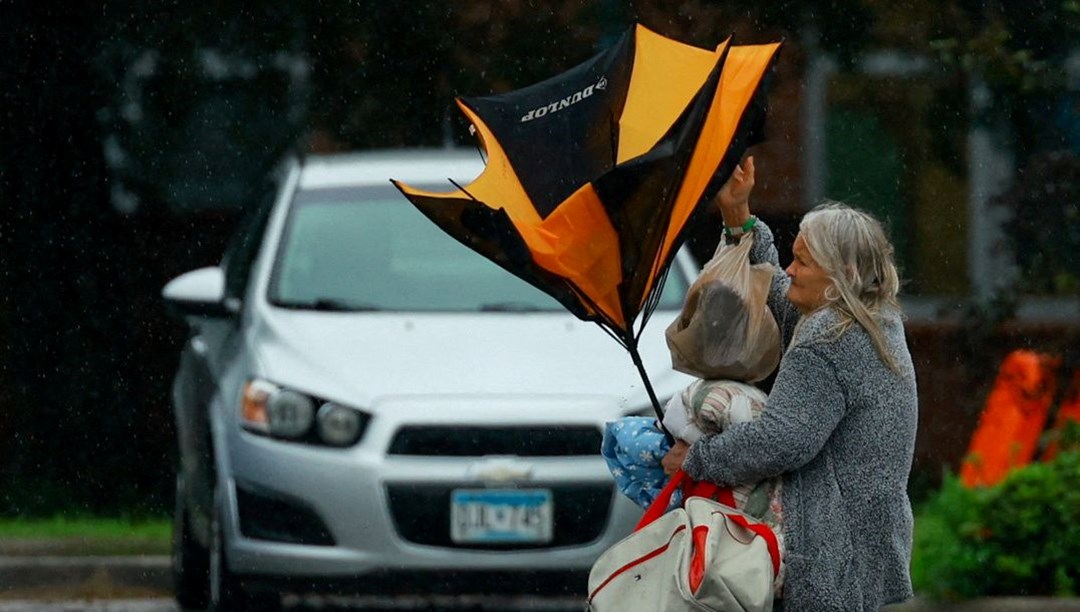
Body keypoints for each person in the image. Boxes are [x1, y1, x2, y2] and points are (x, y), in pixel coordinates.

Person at [662, 156, 919, 611]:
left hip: (831, 549)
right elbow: (780, 297)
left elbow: (780, 440)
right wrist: (738, 217)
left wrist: (696, 458)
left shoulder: (831, 338)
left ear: (841, 277)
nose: (791, 270)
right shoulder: (873, 317)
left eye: (802, 261)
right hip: (867, 538)